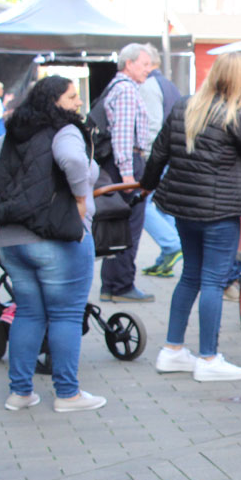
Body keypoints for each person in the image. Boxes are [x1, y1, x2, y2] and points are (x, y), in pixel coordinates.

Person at [0, 76, 106, 412]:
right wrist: (78, 198)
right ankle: (67, 394)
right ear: (54, 101)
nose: (78, 103)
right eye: (72, 97)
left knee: (29, 313)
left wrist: (4, 196)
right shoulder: (66, 131)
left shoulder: (18, 133)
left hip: (12, 241)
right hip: (57, 239)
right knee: (65, 315)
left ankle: (20, 393)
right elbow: (73, 162)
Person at [141, 53, 241, 382]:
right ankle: (208, 357)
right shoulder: (237, 115)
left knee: (190, 276)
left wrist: (146, 187)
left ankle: (173, 350)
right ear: (239, 79)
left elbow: (159, 152)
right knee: (213, 281)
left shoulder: (184, 106)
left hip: (184, 209)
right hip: (219, 211)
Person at [96, 43, 155, 303]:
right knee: (128, 227)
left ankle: (113, 284)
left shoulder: (117, 87)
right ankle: (120, 285)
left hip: (122, 163)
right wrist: (128, 174)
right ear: (128, 64)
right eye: (144, 64)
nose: (148, 70)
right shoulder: (126, 91)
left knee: (119, 225)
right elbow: (122, 135)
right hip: (127, 163)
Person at [139, 44, 184, 278]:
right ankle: (167, 254)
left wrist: (147, 156)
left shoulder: (149, 85)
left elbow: (153, 125)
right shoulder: (168, 84)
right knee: (164, 207)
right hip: (172, 153)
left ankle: (170, 245)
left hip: (158, 154)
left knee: (142, 204)